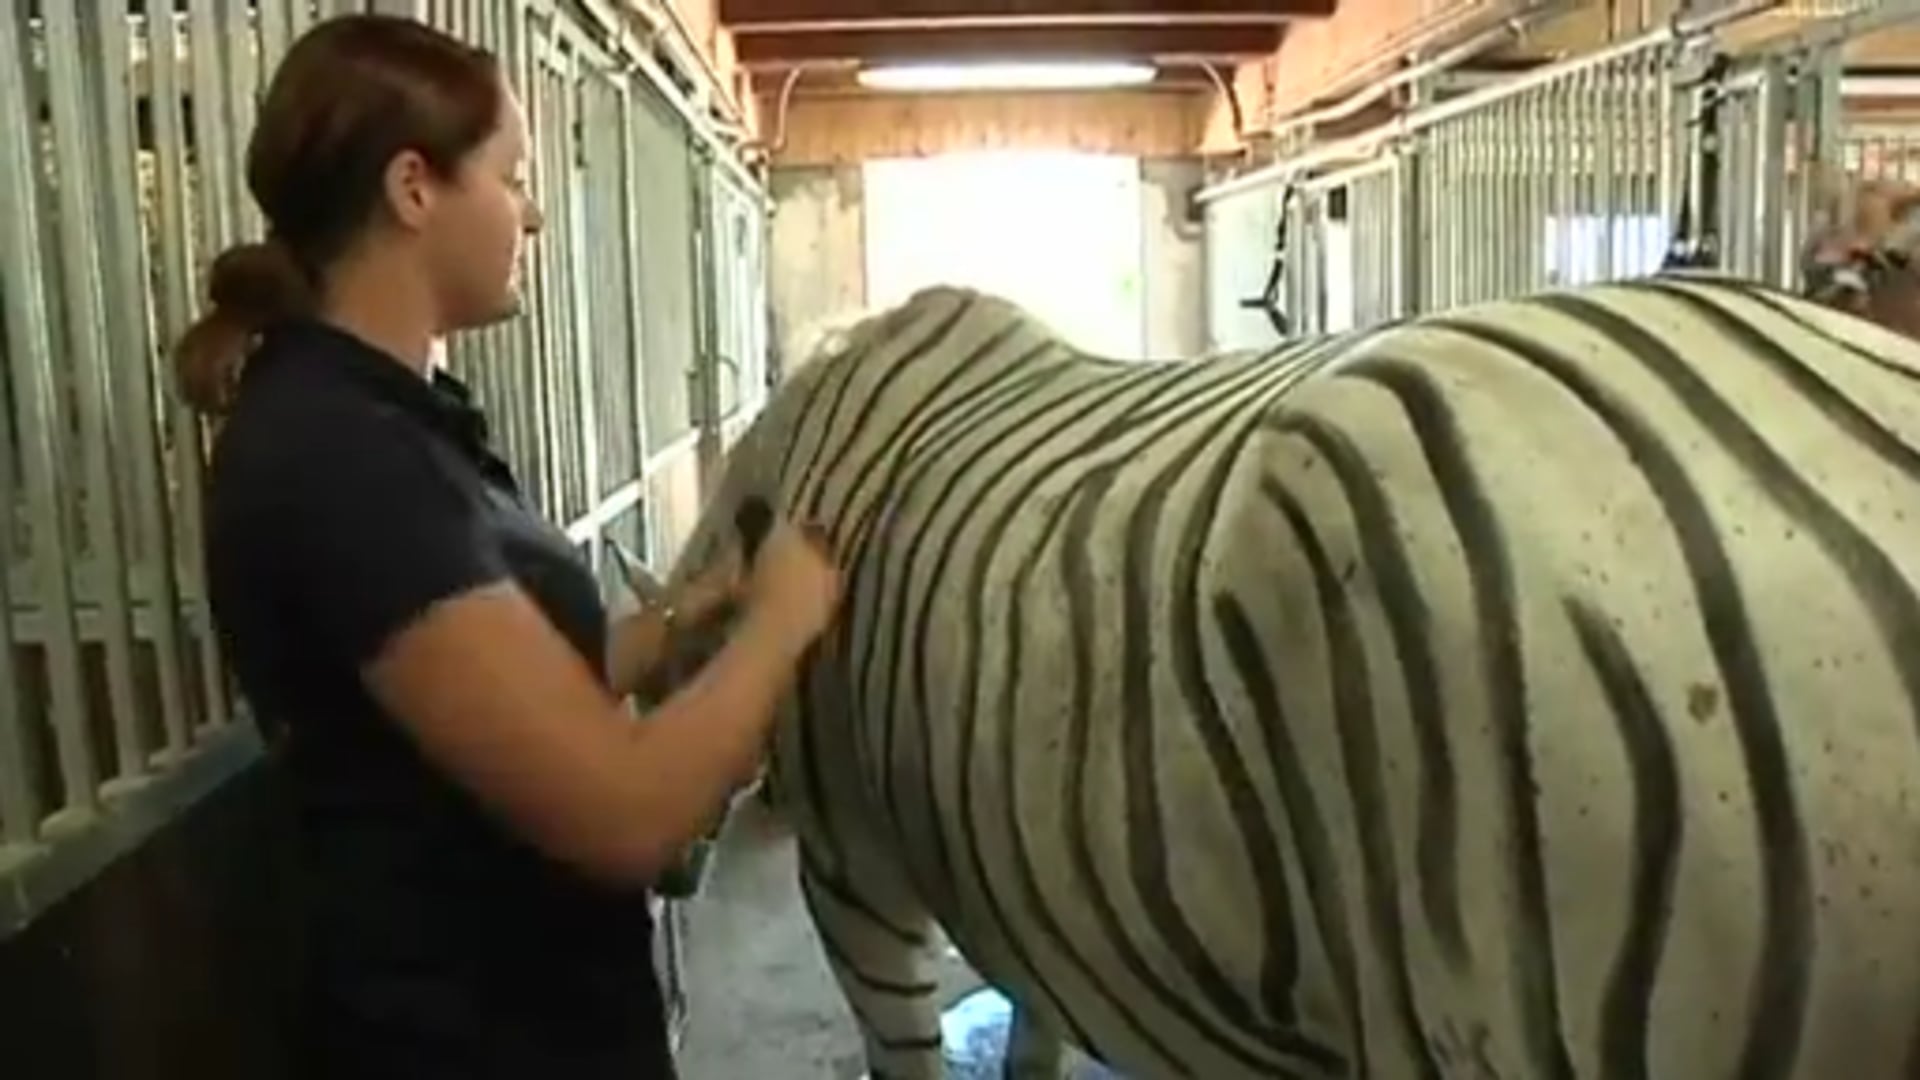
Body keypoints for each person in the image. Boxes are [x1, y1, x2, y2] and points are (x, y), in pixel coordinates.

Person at [170, 13, 841, 1080]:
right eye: (511, 176)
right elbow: (624, 814)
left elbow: (488, 702)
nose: (530, 216)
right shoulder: (346, 458)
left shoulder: (394, 420)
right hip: (468, 1037)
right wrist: (778, 625)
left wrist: (680, 622)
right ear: (413, 189)